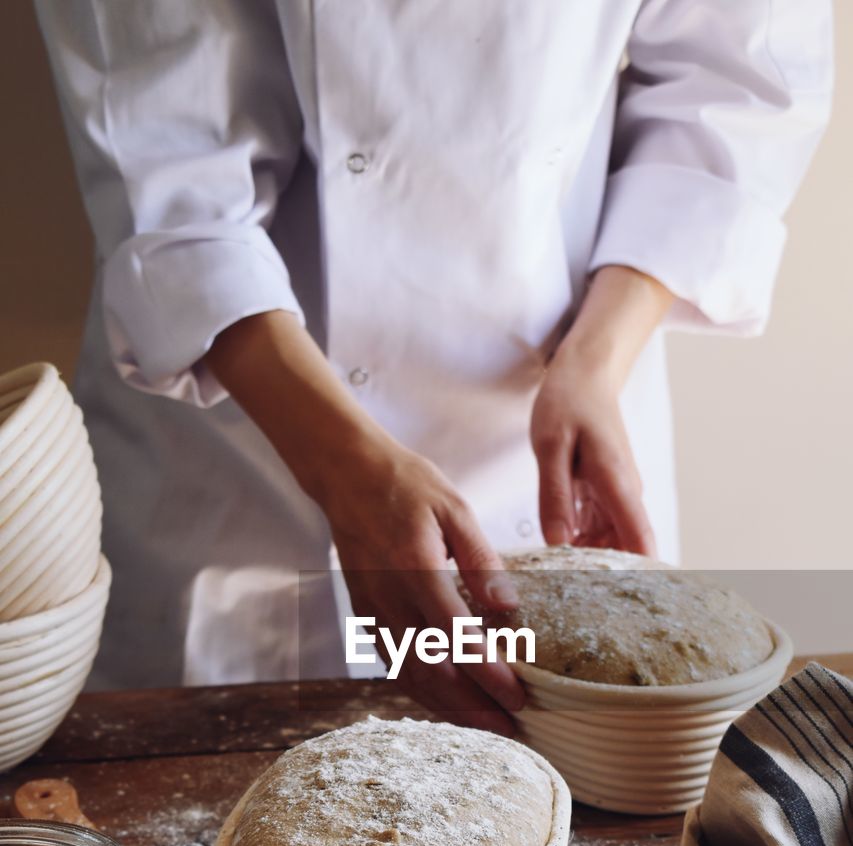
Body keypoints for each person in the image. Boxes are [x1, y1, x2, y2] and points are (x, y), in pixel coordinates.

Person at [36, 1, 832, 733]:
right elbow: (167, 166)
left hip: (556, 425)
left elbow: (738, 88)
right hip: (242, 455)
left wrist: (595, 359)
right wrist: (345, 474)